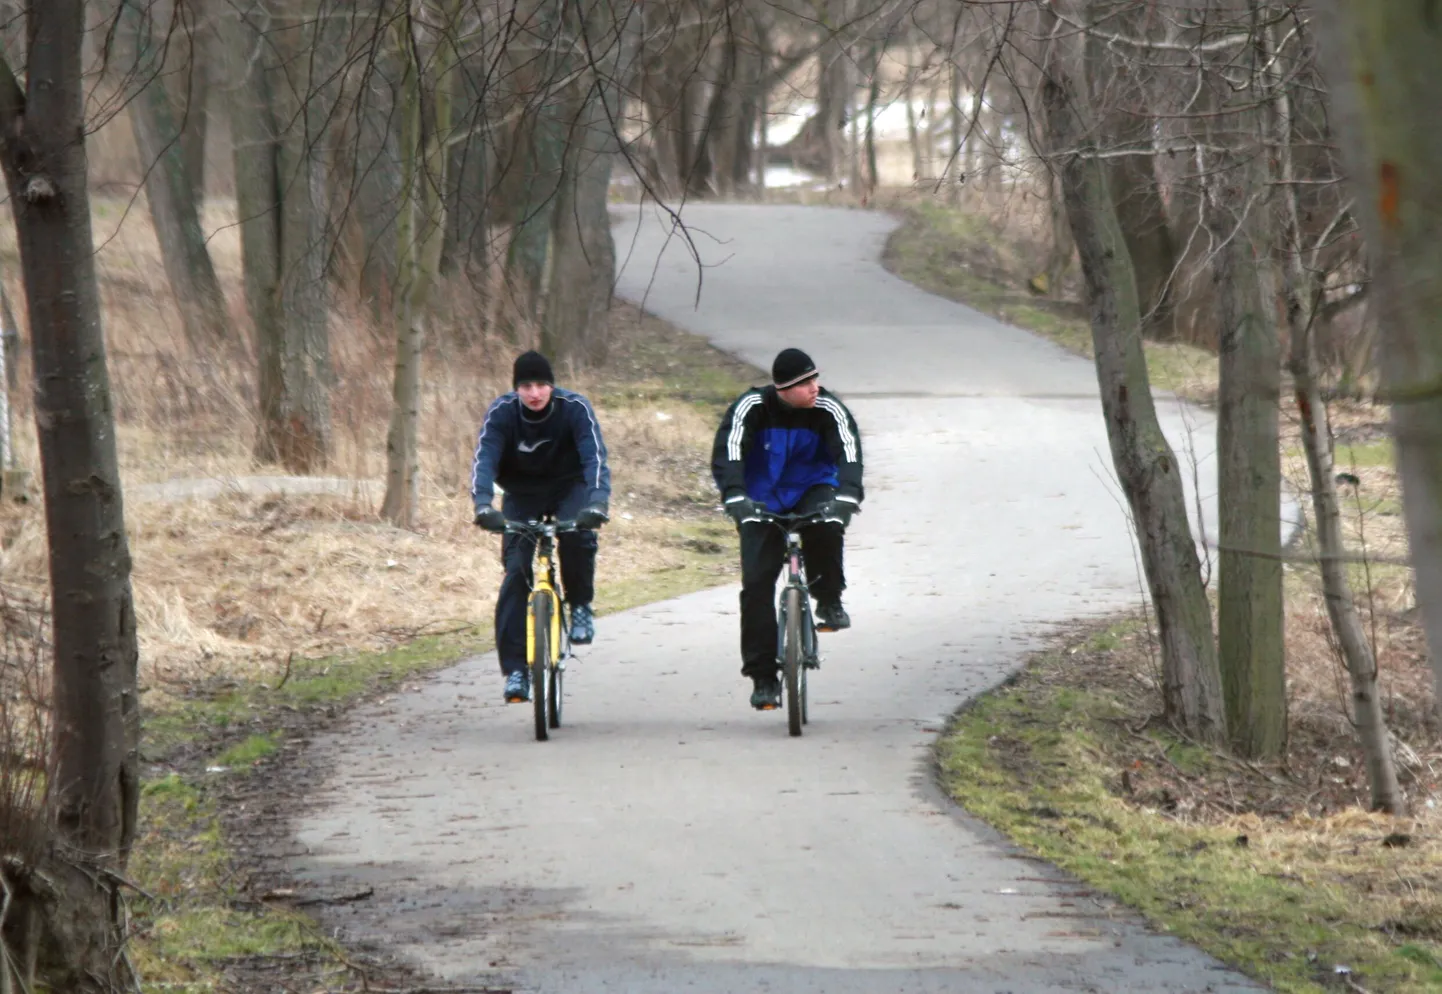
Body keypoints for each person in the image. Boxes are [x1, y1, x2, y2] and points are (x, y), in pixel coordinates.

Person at [711, 348, 863, 710]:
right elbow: (729, 452)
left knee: (826, 525)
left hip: (814, 488)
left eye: (816, 379)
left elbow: (849, 453)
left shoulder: (828, 408)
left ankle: (828, 599)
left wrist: (847, 497)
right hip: (760, 499)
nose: (816, 387)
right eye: (806, 383)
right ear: (784, 389)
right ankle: (763, 678)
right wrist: (735, 498)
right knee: (757, 587)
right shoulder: (750, 408)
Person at [472, 350, 611, 703]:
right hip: (522, 493)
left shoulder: (574, 408)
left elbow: (594, 458)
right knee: (516, 573)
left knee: (578, 536)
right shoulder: (502, 413)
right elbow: (484, 458)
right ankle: (517, 670)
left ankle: (580, 604)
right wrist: (484, 505)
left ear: (552, 385)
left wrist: (596, 503)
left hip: (571, 487)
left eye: (541, 385)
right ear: (516, 389)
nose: (534, 393)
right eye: (526, 386)